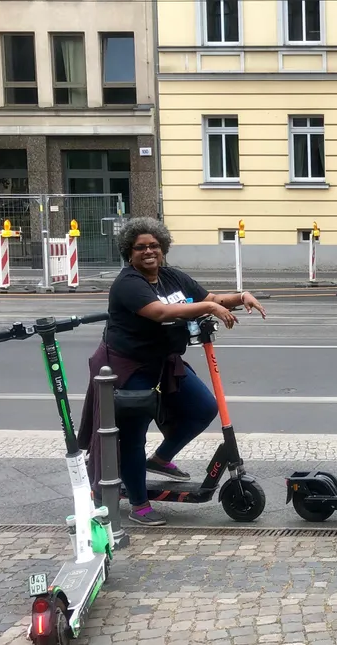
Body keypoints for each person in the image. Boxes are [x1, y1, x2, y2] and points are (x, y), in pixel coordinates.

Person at [77, 217, 266, 526]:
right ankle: (139, 504)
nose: (149, 251)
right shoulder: (128, 283)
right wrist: (209, 309)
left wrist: (241, 297)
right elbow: (160, 312)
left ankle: (162, 458)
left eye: (154, 245)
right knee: (132, 436)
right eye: (140, 247)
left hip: (163, 360)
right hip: (128, 366)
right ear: (129, 252)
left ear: (163, 248)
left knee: (204, 407)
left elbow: (211, 299)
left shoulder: (171, 277)